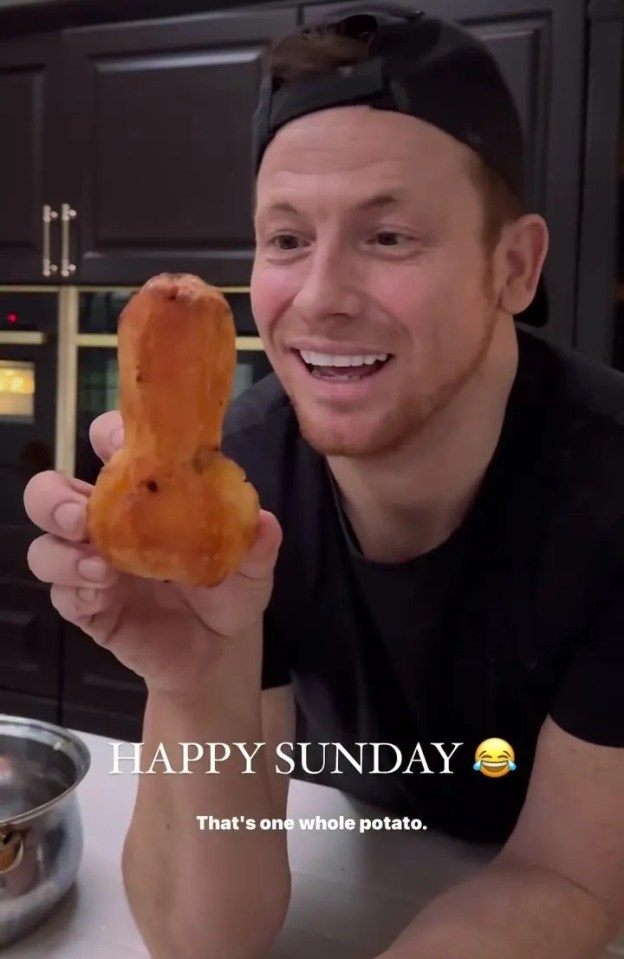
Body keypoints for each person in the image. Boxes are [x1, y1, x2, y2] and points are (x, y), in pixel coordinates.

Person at [23, 6, 624, 958]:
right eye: (287, 240)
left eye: (388, 238)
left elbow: (566, 873)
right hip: (374, 851)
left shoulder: (608, 494)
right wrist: (192, 684)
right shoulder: (240, 490)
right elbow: (204, 938)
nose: (321, 299)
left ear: (514, 266)